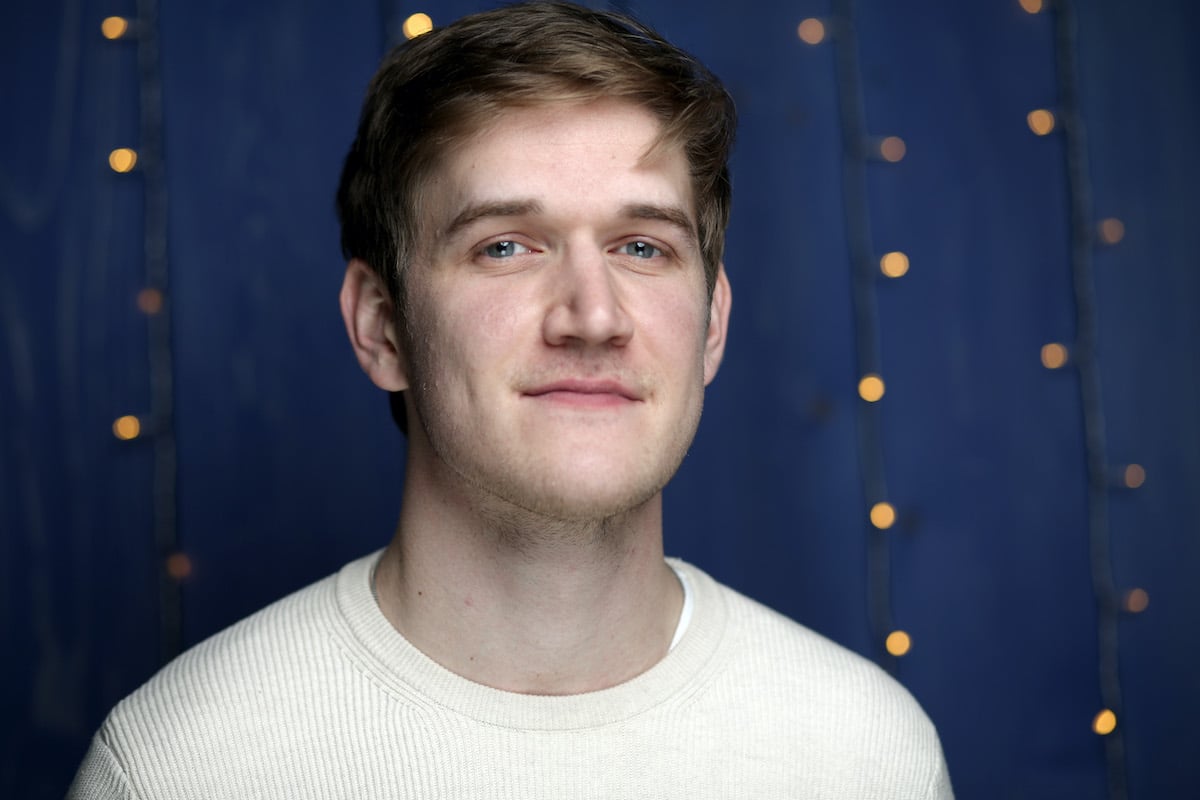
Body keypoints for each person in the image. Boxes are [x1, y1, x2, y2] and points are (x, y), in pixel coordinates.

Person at [69, 2, 953, 797]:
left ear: (712, 325)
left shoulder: (865, 754)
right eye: (506, 247)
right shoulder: (183, 767)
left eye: (643, 248)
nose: (593, 316)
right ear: (382, 328)